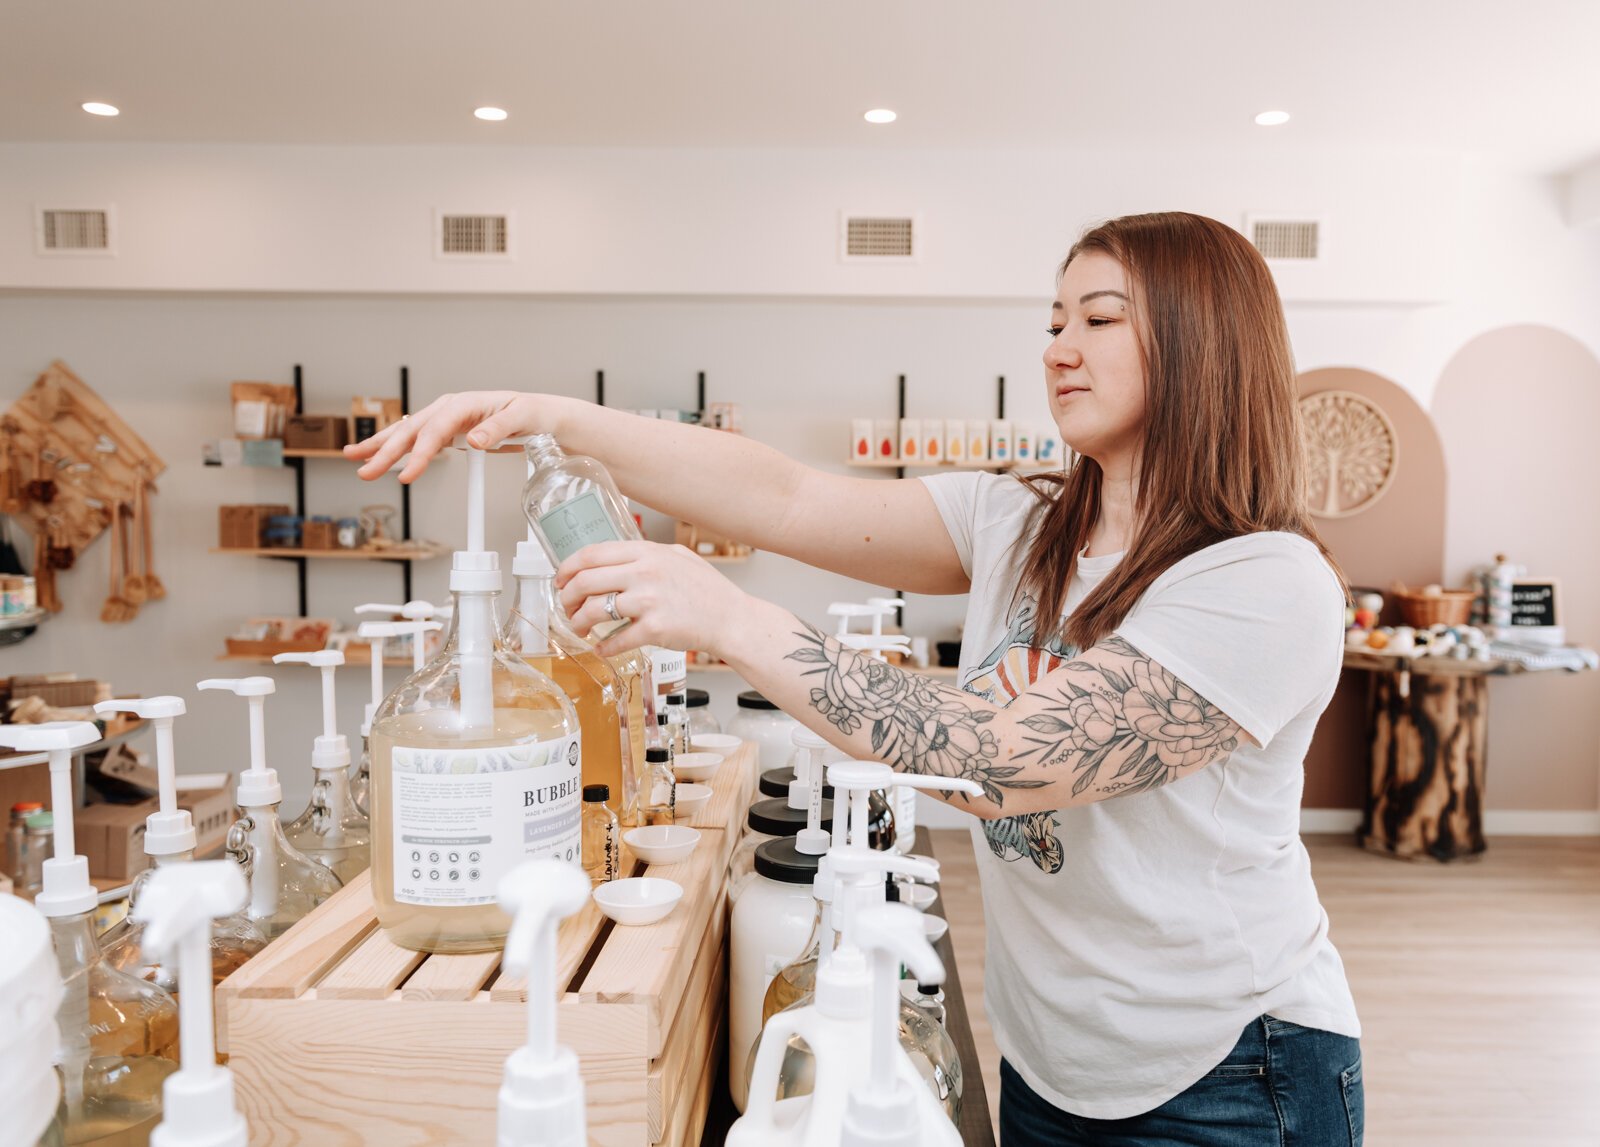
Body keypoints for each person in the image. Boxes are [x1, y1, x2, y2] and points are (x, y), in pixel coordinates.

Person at [347, 211, 1363, 1146]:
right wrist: (550, 417)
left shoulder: (1262, 581)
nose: (1058, 347)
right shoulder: (1024, 521)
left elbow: (1000, 760)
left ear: (1202, 345)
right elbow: (785, 496)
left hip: (1229, 1069)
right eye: (1054, 319)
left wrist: (730, 617)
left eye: (1099, 318)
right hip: (1054, 1060)